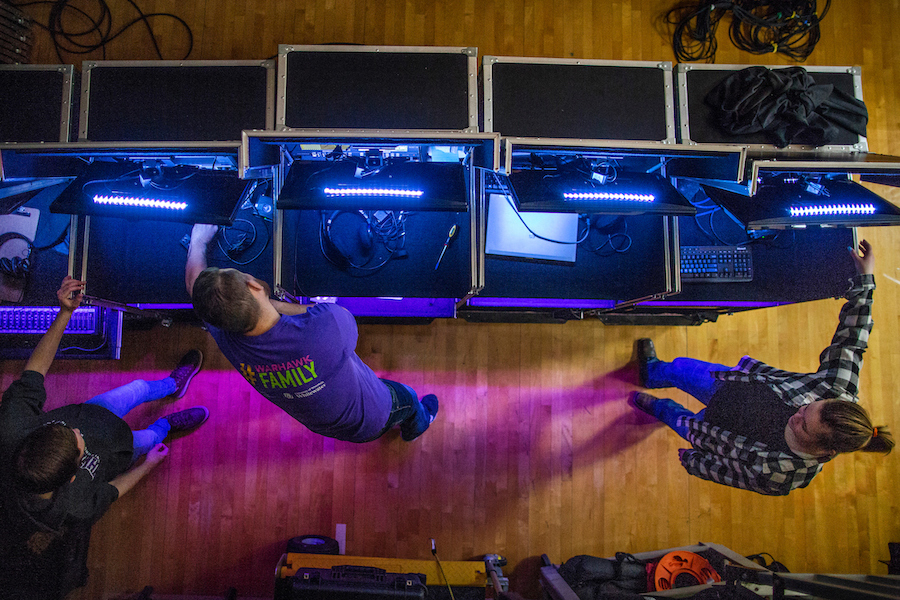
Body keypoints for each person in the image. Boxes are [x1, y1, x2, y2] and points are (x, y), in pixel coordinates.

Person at [0, 276, 209, 600]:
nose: (78, 431)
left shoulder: (11, 427)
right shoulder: (74, 508)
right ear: (72, 476)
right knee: (149, 438)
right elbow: (114, 489)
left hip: (96, 411)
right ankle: (165, 426)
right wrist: (149, 464)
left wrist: (65, 313)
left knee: (138, 388)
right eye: (78, 442)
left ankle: (172, 386)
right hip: (121, 450)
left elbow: (34, 371)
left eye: (68, 429)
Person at [631, 239, 893, 496]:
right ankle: (652, 373)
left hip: (708, 431)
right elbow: (852, 340)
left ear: (826, 451)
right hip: (727, 385)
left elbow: (731, 475)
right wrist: (865, 281)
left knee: (674, 416)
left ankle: (655, 407)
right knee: (679, 368)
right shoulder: (836, 389)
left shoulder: (784, 477)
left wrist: (694, 462)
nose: (796, 415)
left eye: (803, 426)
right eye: (807, 408)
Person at [185, 223, 438, 443]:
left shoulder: (225, 333)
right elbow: (328, 311)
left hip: (325, 424)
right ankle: (418, 425)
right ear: (254, 286)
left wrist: (197, 242)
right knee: (408, 397)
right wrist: (275, 304)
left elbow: (195, 285)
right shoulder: (326, 329)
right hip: (374, 413)